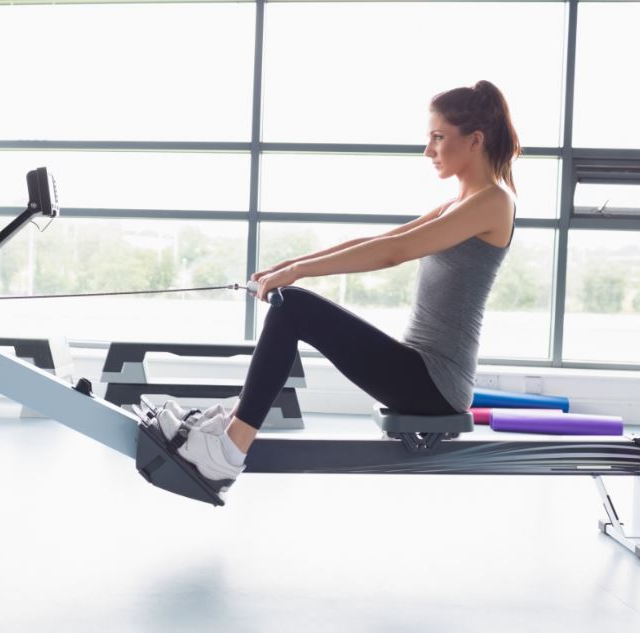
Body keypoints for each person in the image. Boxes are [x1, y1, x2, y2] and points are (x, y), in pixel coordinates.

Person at [156, 79, 521, 492]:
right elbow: (378, 241)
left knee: (293, 307)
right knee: (291, 303)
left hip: (435, 384)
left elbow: (394, 252)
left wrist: (298, 275)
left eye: (438, 137)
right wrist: (293, 264)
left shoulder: (493, 201)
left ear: (475, 140)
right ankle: (228, 430)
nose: (428, 150)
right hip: (419, 369)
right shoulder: (462, 202)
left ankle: (226, 453)